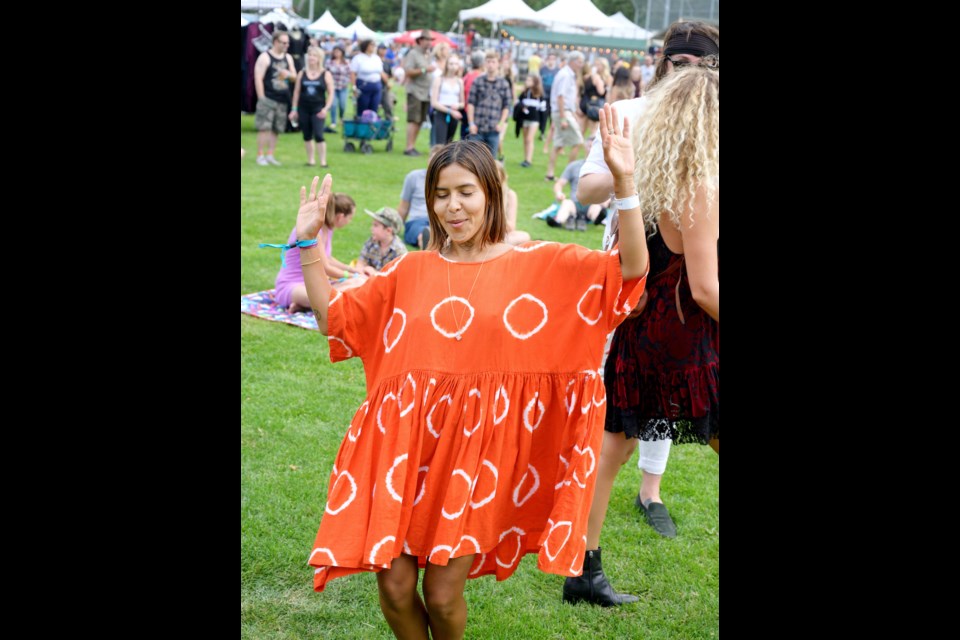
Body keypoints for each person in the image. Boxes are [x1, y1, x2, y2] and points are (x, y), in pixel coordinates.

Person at [296, 139, 649, 638]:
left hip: (472, 459)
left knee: (442, 596)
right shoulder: (409, 270)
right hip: (400, 448)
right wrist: (307, 242)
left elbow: (629, 272)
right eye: (440, 194)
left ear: (491, 193)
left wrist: (626, 185)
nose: (452, 206)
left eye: (465, 191)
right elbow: (335, 318)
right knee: (394, 589)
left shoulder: (539, 263)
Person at [563, 61, 719, 609]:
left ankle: (584, 567)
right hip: (685, 344)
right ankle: (582, 568)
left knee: (612, 450)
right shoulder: (698, 184)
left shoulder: (651, 172)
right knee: (614, 449)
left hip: (642, 335)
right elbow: (704, 288)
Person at [272, 194, 365, 312]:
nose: (349, 221)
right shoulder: (314, 232)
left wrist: (352, 270)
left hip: (312, 284)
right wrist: (352, 275)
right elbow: (325, 268)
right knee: (343, 291)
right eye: (350, 218)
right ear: (341, 216)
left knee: (359, 284)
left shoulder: (327, 229)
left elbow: (328, 258)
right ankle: (307, 304)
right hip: (292, 286)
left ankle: (304, 305)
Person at [254, 31, 296, 166]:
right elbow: (258, 78)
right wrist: (261, 98)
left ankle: (270, 154)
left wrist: (288, 74)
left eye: (288, 43)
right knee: (264, 127)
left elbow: (295, 77)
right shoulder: (265, 57)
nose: (287, 45)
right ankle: (260, 155)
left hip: (282, 98)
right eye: (284, 42)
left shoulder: (288, 58)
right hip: (268, 97)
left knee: (276, 129)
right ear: (275, 42)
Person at [290, 46, 335, 168]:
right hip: (303, 108)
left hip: (318, 108)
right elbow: (297, 92)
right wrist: (294, 109)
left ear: (319, 58)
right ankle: (310, 160)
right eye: (310, 55)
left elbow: (331, 93)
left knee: (319, 134)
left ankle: (323, 162)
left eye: (314, 56)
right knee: (307, 135)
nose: (311, 58)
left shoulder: (325, 74)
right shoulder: (302, 73)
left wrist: (326, 109)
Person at [545, 51, 584, 182]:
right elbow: (560, 97)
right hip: (562, 112)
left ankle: (549, 174)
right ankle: (569, 175)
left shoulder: (568, 74)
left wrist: (574, 112)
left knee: (558, 144)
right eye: (579, 62)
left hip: (563, 112)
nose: (581, 65)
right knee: (578, 142)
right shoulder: (566, 75)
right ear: (572, 61)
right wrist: (563, 117)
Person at [466, 50, 512, 158]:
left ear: (498, 64)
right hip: (477, 127)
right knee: (474, 159)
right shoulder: (478, 81)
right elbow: (471, 103)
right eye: (488, 61)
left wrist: (501, 123)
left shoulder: (503, 84)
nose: (490, 65)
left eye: (493, 62)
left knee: (491, 162)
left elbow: (506, 106)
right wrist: (471, 123)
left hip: (493, 128)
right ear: (485, 63)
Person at [397, 146, 441, 250]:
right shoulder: (414, 177)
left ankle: (431, 240)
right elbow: (404, 206)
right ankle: (426, 241)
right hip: (417, 220)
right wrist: (394, 226)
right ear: (428, 159)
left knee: (440, 230)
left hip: (438, 220)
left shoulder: (450, 181)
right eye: (433, 159)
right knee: (422, 232)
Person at [402, 30, 437, 156]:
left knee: (420, 120)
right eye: (427, 40)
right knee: (414, 120)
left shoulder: (427, 55)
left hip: (426, 93)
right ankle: (408, 147)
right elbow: (408, 71)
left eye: (430, 40)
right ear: (420, 40)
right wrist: (424, 69)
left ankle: (413, 145)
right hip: (415, 91)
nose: (429, 43)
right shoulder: (413, 53)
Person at [552, 159, 610, 232]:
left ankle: (599, 219)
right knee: (566, 203)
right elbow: (559, 183)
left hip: (592, 203)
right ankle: (558, 221)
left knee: (597, 208)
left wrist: (607, 200)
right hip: (574, 203)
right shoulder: (574, 165)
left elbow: (609, 187)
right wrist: (559, 193)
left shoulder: (604, 168)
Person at [357, 207, 408, 274]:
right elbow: (361, 263)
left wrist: (374, 274)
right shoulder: (371, 242)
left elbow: (398, 278)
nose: (371, 228)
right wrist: (360, 271)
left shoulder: (399, 252)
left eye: (375, 225)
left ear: (388, 231)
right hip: (367, 279)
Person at [429, 56, 465, 147]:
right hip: (441, 112)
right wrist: (450, 111)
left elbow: (463, 102)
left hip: (454, 113)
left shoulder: (460, 81)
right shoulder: (439, 79)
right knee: (440, 144)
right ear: (447, 65)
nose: (453, 66)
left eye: (456, 64)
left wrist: (458, 105)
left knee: (449, 143)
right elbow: (434, 102)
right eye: (451, 64)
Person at [514, 73, 547, 168]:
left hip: (534, 120)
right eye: (526, 80)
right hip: (525, 119)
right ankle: (525, 159)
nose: (527, 82)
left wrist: (542, 125)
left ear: (535, 82)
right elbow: (519, 102)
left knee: (529, 138)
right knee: (525, 139)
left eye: (529, 80)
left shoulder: (540, 94)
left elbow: (543, 109)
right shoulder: (525, 93)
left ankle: (529, 160)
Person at [495, 162, 531, 245]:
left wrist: (497, 207)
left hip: (503, 235)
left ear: (504, 178)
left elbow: (510, 228)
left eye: (498, 180)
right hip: (483, 236)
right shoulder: (481, 195)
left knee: (524, 236)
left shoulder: (510, 195)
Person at [350, 39, 386, 118]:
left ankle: (372, 127)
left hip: (376, 85)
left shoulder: (376, 58)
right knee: (363, 108)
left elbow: (381, 72)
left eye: (374, 45)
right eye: (371, 45)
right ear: (366, 46)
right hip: (364, 85)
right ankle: (362, 127)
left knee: (374, 108)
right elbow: (353, 73)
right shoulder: (358, 58)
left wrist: (387, 82)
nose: (373, 47)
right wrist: (354, 87)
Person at [327, 46, 351, 132]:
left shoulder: (346, 63)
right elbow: (326, 73)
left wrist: (347, 82)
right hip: (332, 87)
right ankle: (333, 121)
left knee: (342, 104)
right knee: (333, 104)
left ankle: (341, 117)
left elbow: (349, 73)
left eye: (338, 51)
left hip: (343, 87)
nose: (336, 53)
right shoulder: (329, 62)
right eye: (335, 51)